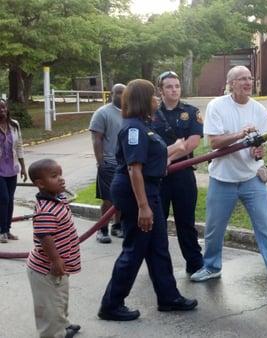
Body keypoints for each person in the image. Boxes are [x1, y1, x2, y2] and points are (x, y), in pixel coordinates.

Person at [190, 66, 267, 296]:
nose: (248, 82)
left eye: (250, 78)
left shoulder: (259, 109)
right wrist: (240, 134)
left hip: (251, 178)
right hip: (223, 178)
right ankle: (212, 267)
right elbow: (214, 142)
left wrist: (257, 152)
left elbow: (260, 147)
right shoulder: (217, 106)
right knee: (214, 229)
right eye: (242, 79)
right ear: (230, 83)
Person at [98, 79, 197, 321]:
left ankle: (168, 297)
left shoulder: (144, 126)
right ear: (143, 100)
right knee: (135, 249)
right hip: (136, 193)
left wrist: (173, 150)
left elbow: (152, 161)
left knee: (158, 247)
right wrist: (143, 207)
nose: (157, 99)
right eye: (153, 96)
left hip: (149, 188)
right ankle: (111, 304)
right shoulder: (134, 129)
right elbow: (134, 169)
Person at [151, 71, 204, 277]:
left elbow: (192, 142)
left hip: (182, 174)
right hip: (157, 178)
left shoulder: (191, 112)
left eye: (177, 86)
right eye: (169, 86)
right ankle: (159, 266)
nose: (174, 90)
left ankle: (195, 264)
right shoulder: (152, 113)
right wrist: (163, 160)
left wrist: (169, 159)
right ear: (160, 90)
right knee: (158, 223)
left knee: (186, 222)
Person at [26, 159, 81, 338]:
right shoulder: (45, 210)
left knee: (60, 300)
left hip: (59, 266)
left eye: (61, 174)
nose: (61, 179)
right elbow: (45, 237)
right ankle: (52, 333)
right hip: (45, 269)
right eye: (54, 176)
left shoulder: (58, 198)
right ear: (40, 184)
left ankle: (62, 326)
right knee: (49, 306)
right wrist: (56, 260)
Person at [89, 83, 125, 244]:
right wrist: (100, 162)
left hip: (126, 163)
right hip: (108, 163)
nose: (120, 96)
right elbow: (97, 139)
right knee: (108, 199)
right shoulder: (102, 113)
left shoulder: (130, 113)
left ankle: (117, 226)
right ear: (111, 94)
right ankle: (101, 229)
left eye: (123, 93)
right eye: (117, 93)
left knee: (122, 198)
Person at [0, 99, 27, 243]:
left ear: (7, 108)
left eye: (3, 107)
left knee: (10, 200)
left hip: (12, 168)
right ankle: (1, 231)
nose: (2, 110)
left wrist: (23, 167)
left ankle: (7, 230)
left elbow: (19, 146)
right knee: (3, 198)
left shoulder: (14, 125)